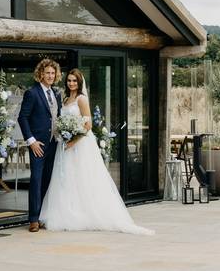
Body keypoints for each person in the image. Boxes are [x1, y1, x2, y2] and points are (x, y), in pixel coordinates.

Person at [40, 69, 153, 235]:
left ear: (79, 83)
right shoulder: (64, 99)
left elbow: (88, 125)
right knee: (66, 178)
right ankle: (67, 212)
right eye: (69, 81)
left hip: (80, 145)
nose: (71, 83)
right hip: (65, 145)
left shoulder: (81, 99)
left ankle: (87, 213)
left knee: (82, 177)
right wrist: (63, 136)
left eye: (74, 81)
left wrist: (73, 141)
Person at [17, 59, 63, 233]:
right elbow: (23, 118)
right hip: (38, 144)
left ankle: (42, 215)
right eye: (47, 73)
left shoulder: (56, 94)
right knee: (36, 179)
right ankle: (33, 219)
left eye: (53, 73)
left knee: (47, 180)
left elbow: (57, 117)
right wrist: (31, 141)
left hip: (53, 143)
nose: (50, 76)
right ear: (40, 74)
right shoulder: (32, 93)